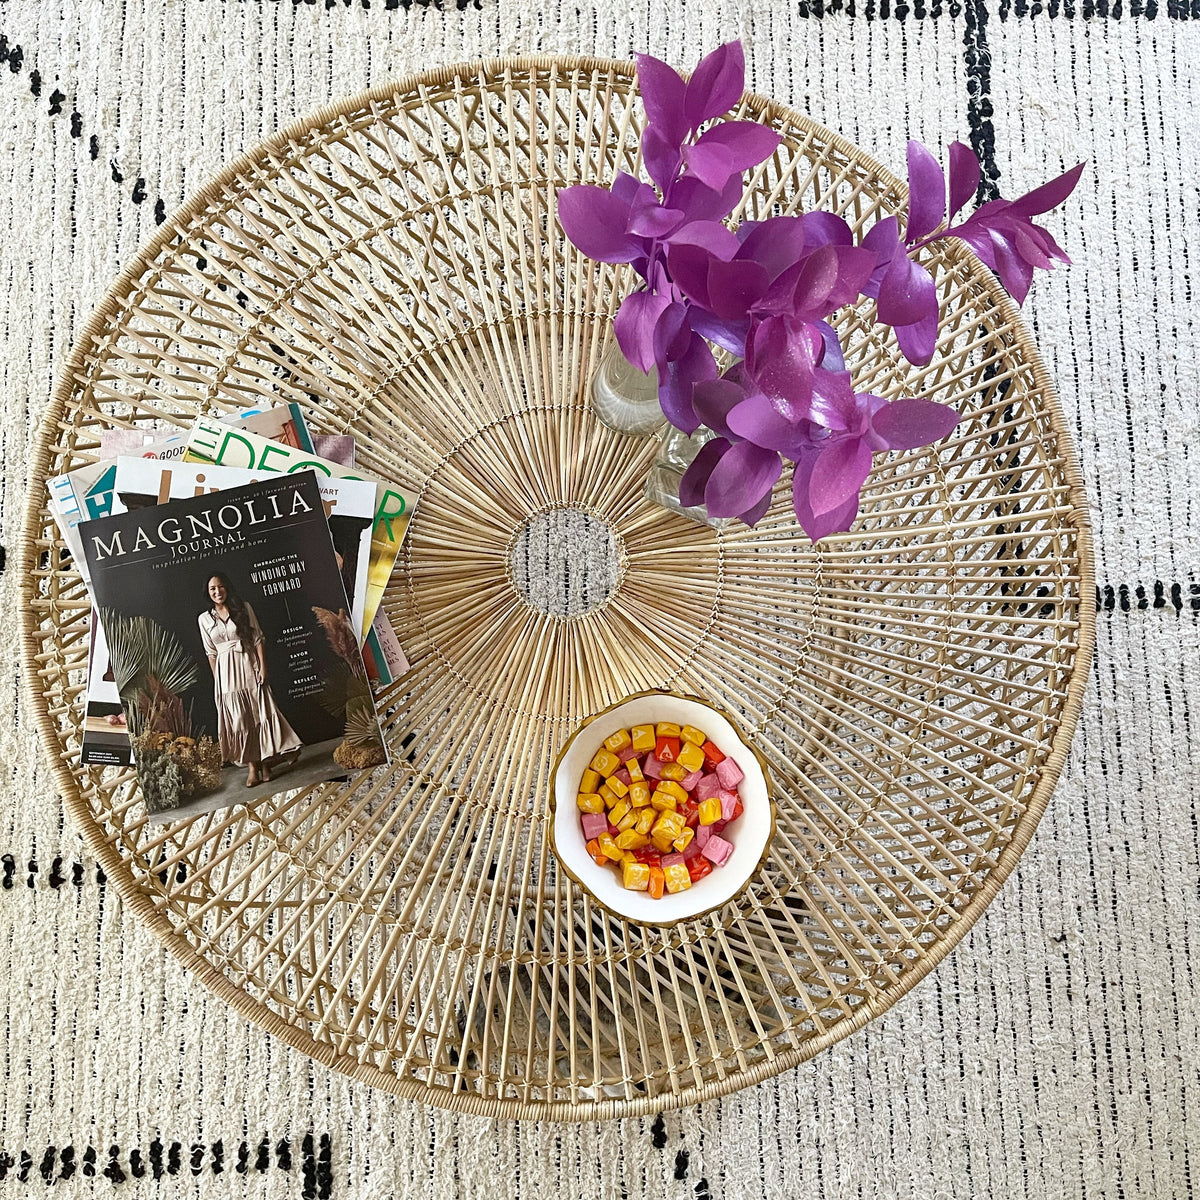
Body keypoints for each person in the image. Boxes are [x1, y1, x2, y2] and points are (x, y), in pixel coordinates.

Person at [198, 573, 301, 788]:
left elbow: (258, 638)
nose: (218, 592)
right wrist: (218, 680)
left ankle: (265, 764)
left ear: (227, 587)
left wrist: (263, 667)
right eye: (212, 589)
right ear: (207, 593)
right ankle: (254, 766)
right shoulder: (204, 619)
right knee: (240, 720)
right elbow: (210, 653)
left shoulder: (243, 607)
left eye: (221, 586)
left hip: (248, 665)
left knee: (258, 714)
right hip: (226, 674)